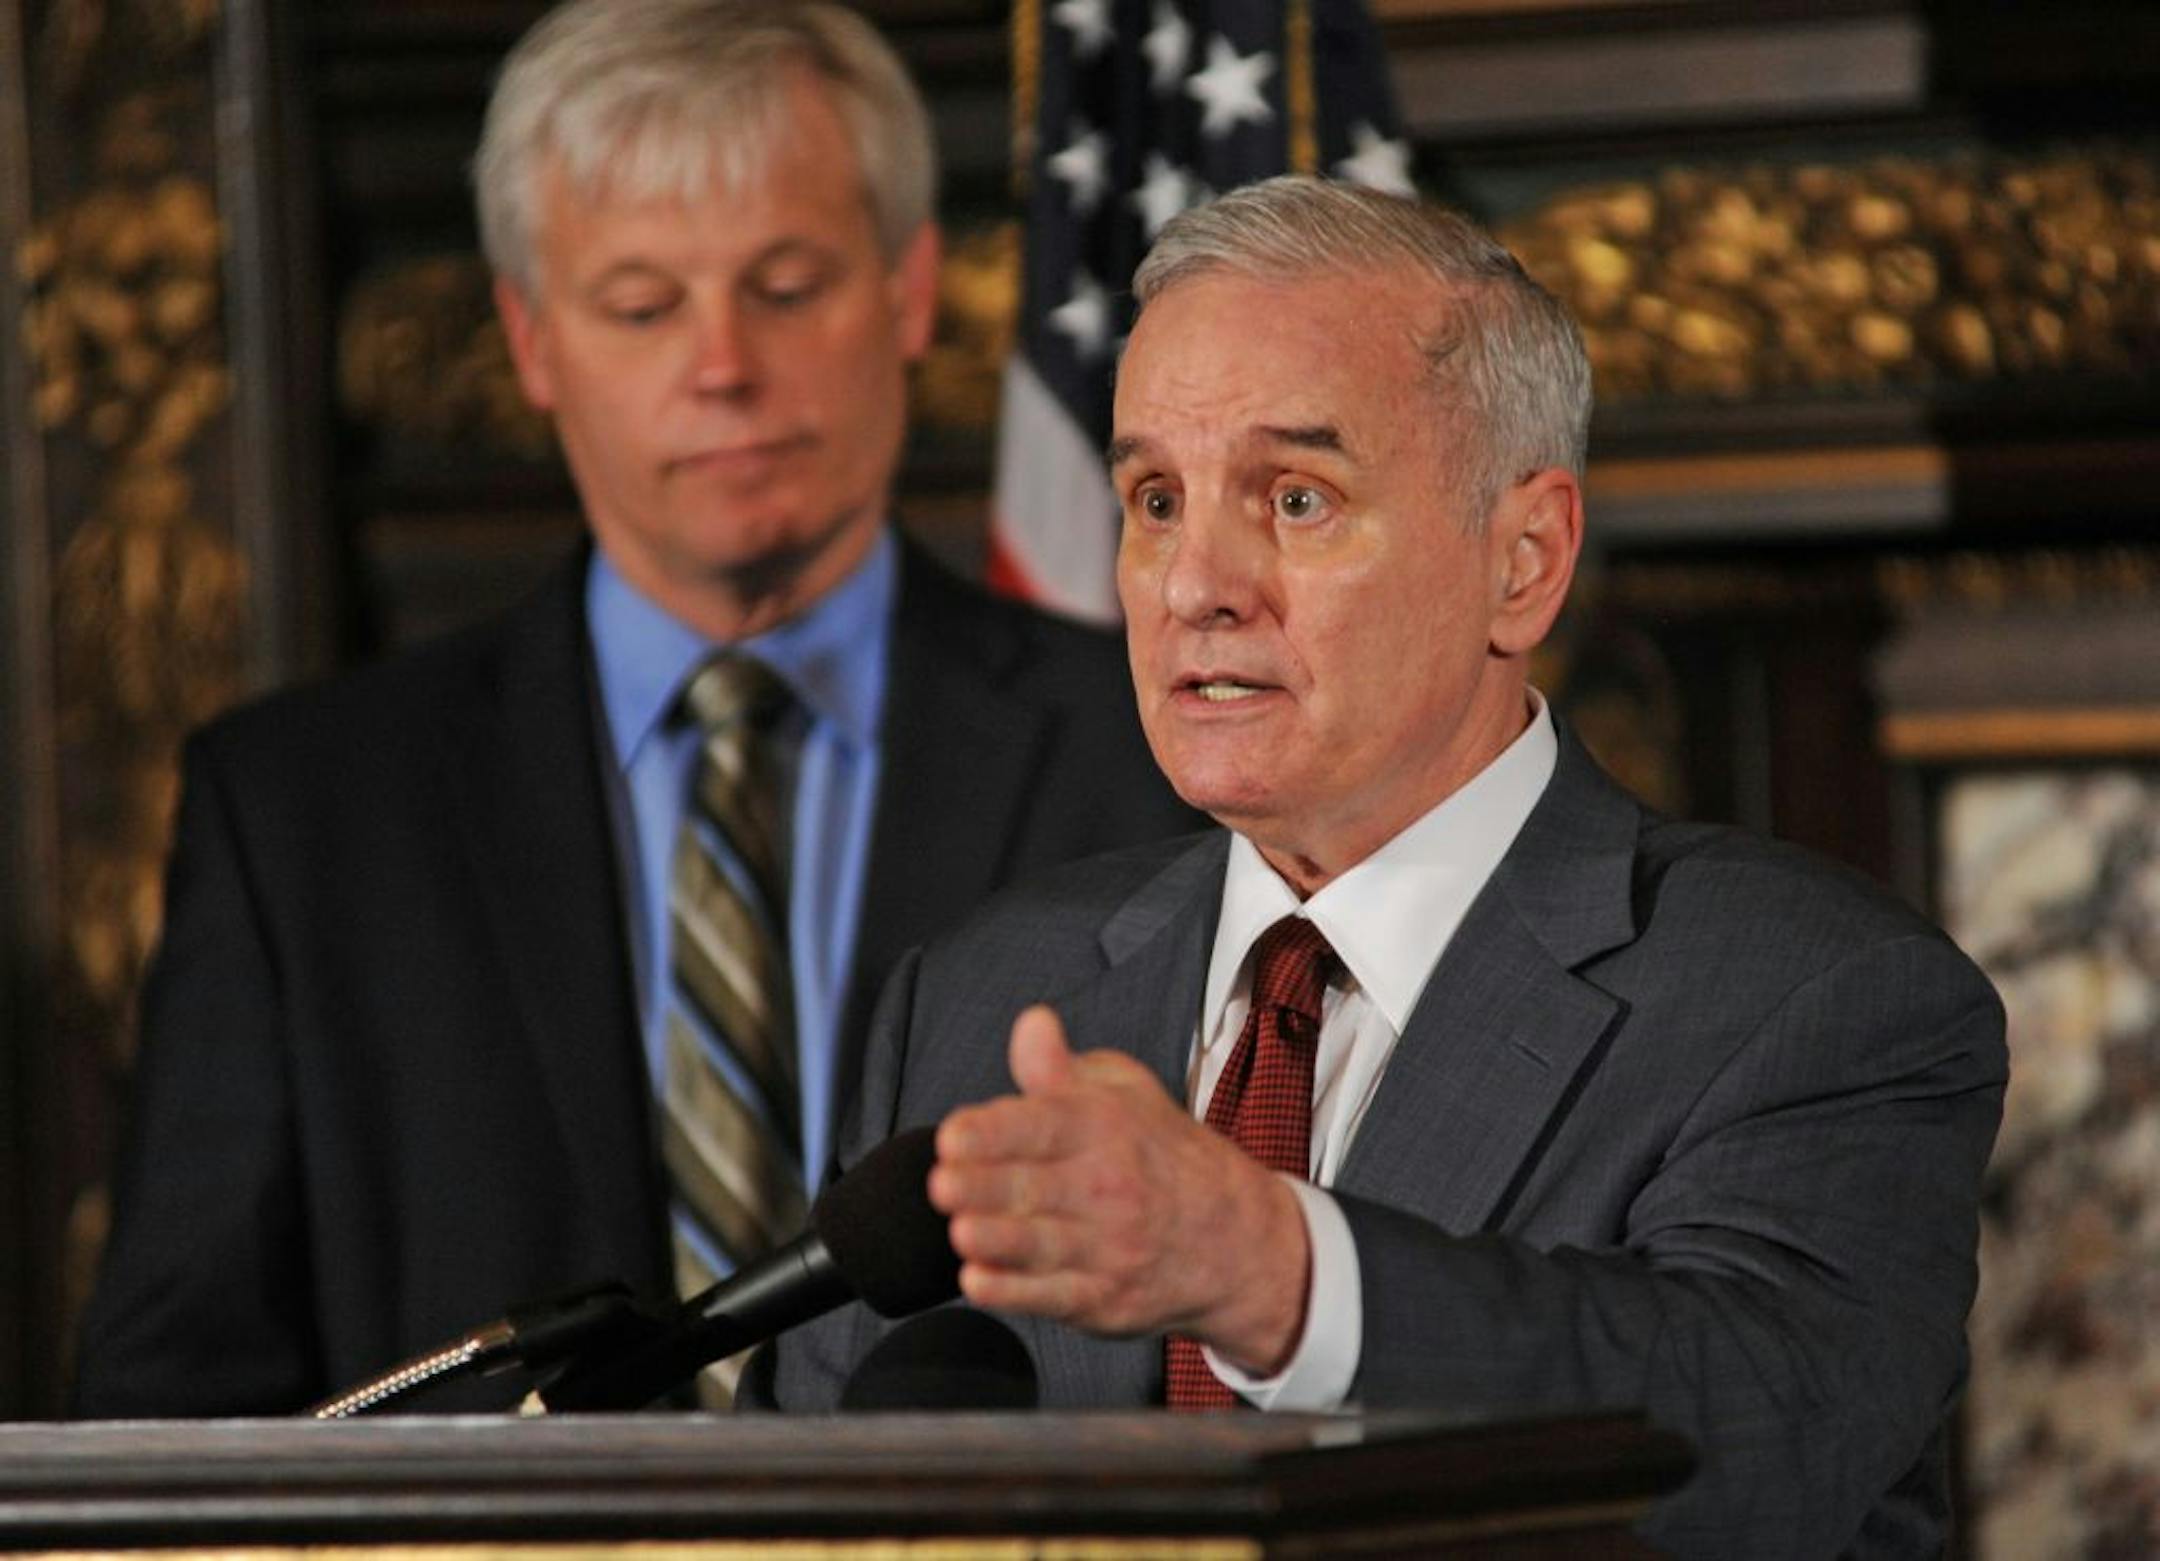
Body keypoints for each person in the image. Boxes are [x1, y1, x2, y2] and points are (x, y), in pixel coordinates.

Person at [761, 177, 2008, 1558]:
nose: (1196, 583)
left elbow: (1760, 1440)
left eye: (1296, 497)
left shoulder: (1815, 997)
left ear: (1522, 561)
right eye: (1156, 498)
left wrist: (1276, 1273)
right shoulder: (987, 989)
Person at [72, 0, 1191, 1417]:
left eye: (786, 288)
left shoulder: (1160, 749)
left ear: (911, 293)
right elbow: (166, 1413)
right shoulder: (305, 819)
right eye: (643, 305)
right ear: (532, 343)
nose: (722, 364)